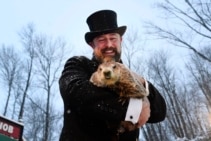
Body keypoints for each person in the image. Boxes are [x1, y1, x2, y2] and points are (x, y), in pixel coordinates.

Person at [59, 9, 166, 141]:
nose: (109, 44)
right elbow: (75, 92)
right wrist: (134, 109)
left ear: (120, 40)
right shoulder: (79, 64)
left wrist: (142, 83)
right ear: (92, 44)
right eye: (102, 39)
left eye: (113, 38)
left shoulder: (130, 76)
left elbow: (159, 113)